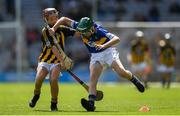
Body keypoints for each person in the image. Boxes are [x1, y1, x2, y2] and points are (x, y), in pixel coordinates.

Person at [48, 17, 145, 111]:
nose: (82, 34)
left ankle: (134, 80)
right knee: (93, 78)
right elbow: (64, 19)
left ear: (91, 28)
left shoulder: (99, 31)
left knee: (121, 72)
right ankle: (91, 104)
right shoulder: (80, 26)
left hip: (108, 52)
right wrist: (54, 28)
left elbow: (117, 39)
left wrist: (104, 45)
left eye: (84, 32)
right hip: (95, 55)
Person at [29, 8, 76, 111]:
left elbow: (76, 33)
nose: (54, 21)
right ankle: (36, 95)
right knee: (39, 78)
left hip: (57, 62)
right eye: (51, 19)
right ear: (46, 19)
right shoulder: (45, 31)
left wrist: (84, 31)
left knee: (53, 80)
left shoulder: (62, 28)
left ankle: (54, 103)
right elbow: (53, 48)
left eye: (56, 18)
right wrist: (63, 61)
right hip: (45, 59)